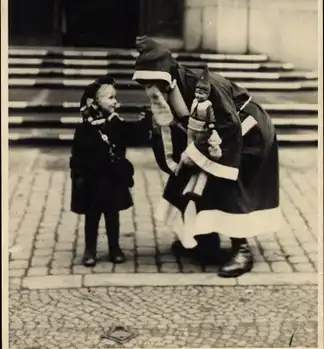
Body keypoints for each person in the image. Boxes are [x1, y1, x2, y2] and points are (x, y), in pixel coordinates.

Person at [132, 35, 281, 278]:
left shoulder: (205, 86)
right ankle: (204, 238)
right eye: (145, 84)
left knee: (225, 181)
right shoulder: (166, 94)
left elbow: (228, 126)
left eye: (153, 83)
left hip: (247, 134)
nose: (150, 91)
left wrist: (194, 155)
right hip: (213, 139)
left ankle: (241, 248)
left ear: (166, 78)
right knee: (186, 180)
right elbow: (179, 129)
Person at [69, 75, 135, 267]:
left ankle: (114, 247)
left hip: (113, 178)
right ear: (96, 103)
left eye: (115, 97)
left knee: (112, 215)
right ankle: (90, 249)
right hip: (92, 180)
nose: (116, 102)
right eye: (110, 98)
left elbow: (127, 140)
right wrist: (79, 176)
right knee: (92, 217)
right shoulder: (84, 128)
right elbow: (77, 156)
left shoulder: (116, 124)